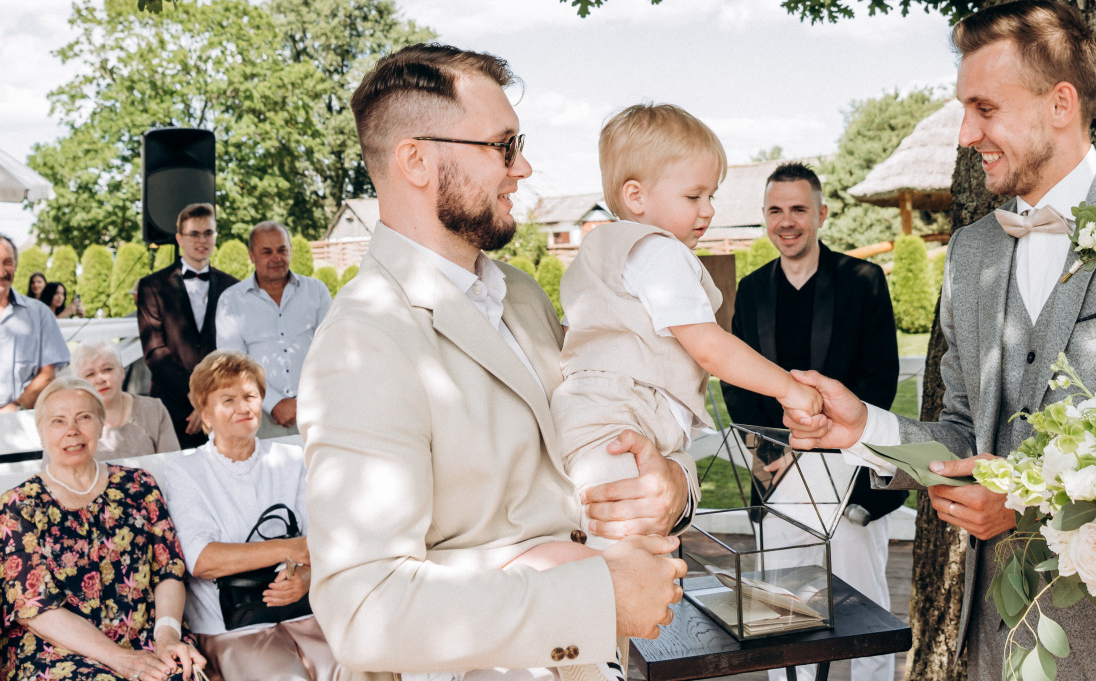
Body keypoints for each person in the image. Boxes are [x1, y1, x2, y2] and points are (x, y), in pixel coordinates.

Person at [786, 0, 1096, 681]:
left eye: (984, 109)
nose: (963, 134)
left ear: (1060, 104)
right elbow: (962, 432)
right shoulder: (971, 253)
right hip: (996, 643)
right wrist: (862, 427)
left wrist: (1023, 510)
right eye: (963, 110)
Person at [299, 43, 691, 681]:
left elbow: (605, 428)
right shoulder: (363, 342)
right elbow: (366, 612)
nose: (525, 166)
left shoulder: (523, 294)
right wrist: (598, 597)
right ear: (417, 160)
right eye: (503, 146)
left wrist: (671, 485)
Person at [549, 103, 821, 552]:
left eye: (711, 196)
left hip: (588, 420)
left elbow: (569, 339)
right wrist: (790, 390)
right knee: (632, 560)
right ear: (636, 196)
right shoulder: (661, 252)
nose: (709, 210)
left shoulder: (597, 252)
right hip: (623, 422)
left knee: (609, 555)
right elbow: (711, 348)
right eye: (694, 197)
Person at [722, 161, 901, 681]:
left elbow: (880, 378)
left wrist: (823, 440)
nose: (787, 221)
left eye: (798, 208)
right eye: (775, 210)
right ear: (764, 217)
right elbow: (737, 384)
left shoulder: (864, 280)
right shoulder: (753, 290)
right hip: (778, 473)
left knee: (865, 612)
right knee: (782, 613)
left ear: (821, 213)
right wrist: (773, 451)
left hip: (850, 471)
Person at [0, 376, 208, 681]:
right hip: (58, 652)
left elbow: (169, 571)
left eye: (83, 417)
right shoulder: (20, 506)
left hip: (148, 638)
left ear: (101, 424)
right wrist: (119, 659)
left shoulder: (139, 485)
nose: (72, 430)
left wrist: (166, 637)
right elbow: (35, 609)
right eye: (58, 421)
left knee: (181, 673)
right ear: (42, 433)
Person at [162, 350, 336, 681]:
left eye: (250, 396)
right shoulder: (186, 472)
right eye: (227, 399)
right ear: (206, 415)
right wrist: (291, 549)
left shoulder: (292, 459)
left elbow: (322, 540)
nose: (243, 407)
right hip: (230, 624)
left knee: (357, 665)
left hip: (303, 609)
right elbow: (202, 559)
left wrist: (307, 579)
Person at [215, 221, 333, 439]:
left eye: (282, 250)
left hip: (315, 410)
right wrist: (275, 402)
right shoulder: (231, 301)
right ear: (252, 255)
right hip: (257, 415)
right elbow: (233, 365)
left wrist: (305, 401)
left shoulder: (316, 292)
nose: (276, 258)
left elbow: (331, 350)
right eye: (266, 252)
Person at [138, 202, 239, 448]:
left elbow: (235, 351)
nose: (201, 240)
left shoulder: (233, 287)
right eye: (194, 233)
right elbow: (155, 353)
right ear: (179, 238)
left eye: (208, 233)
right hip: (172, 407)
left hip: (221, 406)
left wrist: (210, 401)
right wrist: (196, 398)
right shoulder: (152, 286)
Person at [70, 340, 180, 458]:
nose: (100, 379)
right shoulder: (70, 422)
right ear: (79, 383)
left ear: (122, 372)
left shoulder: (153, 410)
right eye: (90, 374)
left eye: (107, 369)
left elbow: (174, 463)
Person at [0, 233, 70, 413]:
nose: (1, 272)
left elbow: (47, 375)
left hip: (21, 420)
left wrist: (17, 406)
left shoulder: (39, 313)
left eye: (7, 262)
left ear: (15, 266)